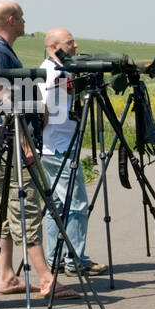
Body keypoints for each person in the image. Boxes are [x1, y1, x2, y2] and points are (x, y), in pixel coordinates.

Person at [0, 0, 77, 299]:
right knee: (27, 208)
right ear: (10, 19)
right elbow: (2, 102)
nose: (24, 21)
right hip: (12, 145)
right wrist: (24, 142)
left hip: (3, 145)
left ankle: (7, 275)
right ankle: (47, 278)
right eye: (21, 17)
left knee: (5, 213)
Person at [38, 28, 104, 276]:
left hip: (54, 145)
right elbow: (41, 108)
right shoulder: (52, 73)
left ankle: (56, 257)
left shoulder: (60, 71)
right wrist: (41, 136)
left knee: (56, 205)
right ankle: (75, 258)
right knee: (76, 205)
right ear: (55, 47)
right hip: (58, 147)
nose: (75, 45)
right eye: (69, 42)